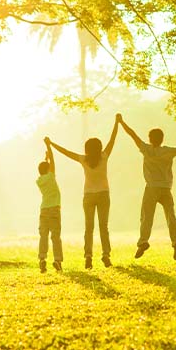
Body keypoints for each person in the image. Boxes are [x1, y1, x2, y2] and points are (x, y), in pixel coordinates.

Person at [118, 114, 176, 261]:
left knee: (146, 216)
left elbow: (132, 134)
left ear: (150, 139)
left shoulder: (146, 149)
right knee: (170, 216)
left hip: (151, 188)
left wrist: (122, 122)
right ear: (162, 139)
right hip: (166, 188)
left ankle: (143, 242)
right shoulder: (168, 151)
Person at [46, 115, 120, 269]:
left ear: (86, 149)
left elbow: (66, 152)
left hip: (88, 196)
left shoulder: (83, 159)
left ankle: (88, 256)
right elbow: (112, 140)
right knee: (103, 226)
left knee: (89, 227)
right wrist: (117, 122)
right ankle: (106, 255)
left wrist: (51, 144)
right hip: (103, 194)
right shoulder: (104, 156)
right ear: (99, 148)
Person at [35, 139, 63, 273]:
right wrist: (49, 145)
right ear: (48, 169)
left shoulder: (39, 181)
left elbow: (44, 168)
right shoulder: (51, 177)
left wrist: (45, 159)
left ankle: (42, 259)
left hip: (44, 210)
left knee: (43, 236)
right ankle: (57, 260)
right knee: (55, 236)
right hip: (54, 210)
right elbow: (53, 161)